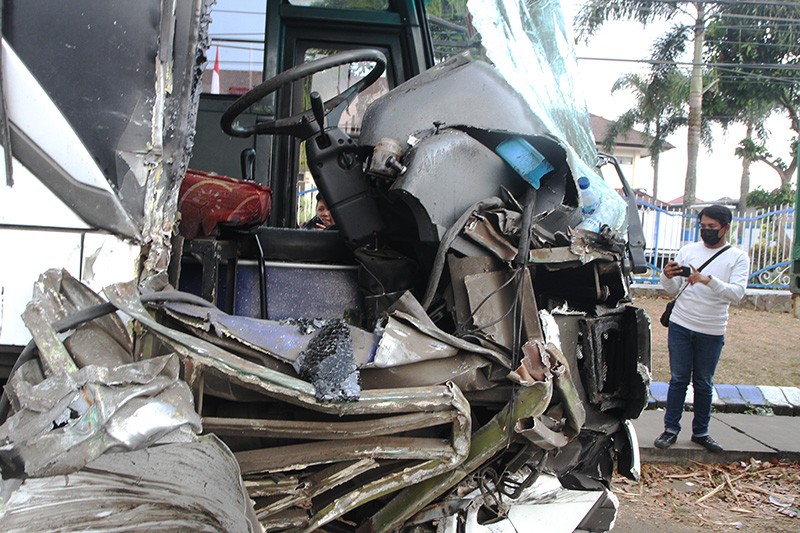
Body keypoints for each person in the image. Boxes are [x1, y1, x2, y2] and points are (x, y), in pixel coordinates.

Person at [654, 204, 749, 453]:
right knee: (678, 380)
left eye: (712, 227)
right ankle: (670, 429)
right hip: (681, 324)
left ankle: (701, 432)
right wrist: (666, 275)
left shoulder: (737, 257)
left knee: (704, 383)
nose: (706, 231)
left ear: (725, 228)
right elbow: (673, 289)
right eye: (702, 226)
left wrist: (708, 280)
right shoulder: (688, 251)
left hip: (712, 328)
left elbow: (737, 293)